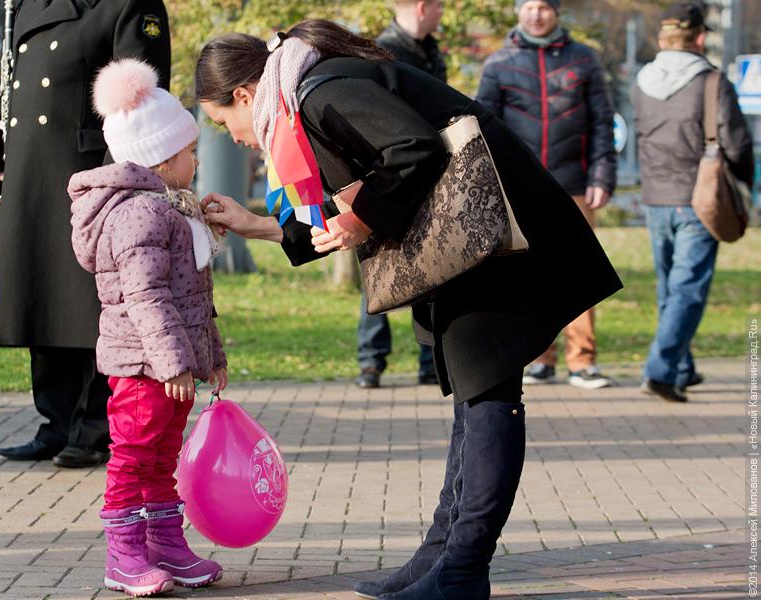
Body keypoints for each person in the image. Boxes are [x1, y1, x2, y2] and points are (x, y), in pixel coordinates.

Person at [195, 20, 621, 599]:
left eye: (224, 122)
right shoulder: (306, 95)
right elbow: (361, 190)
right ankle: (440, 557)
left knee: (490, 397)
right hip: (480, 239)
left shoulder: (320, 92)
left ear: (244, 95)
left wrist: (361, 218)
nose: (235, 136)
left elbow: (413, 149)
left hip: (498, 239)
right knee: (478, 398)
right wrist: (256, 226)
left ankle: (463, 570)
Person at [0, 0, 172, 467]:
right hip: (31, 172)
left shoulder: (126, 5)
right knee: (42, 300)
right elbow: (6, 82)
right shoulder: (24, 5)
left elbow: (139, 102)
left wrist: (112, 180)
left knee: (87, 306)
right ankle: (56, 422)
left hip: (86, 174)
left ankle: (94, 426)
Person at [69, 59, 226, 595]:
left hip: (170, 365)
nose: (196, 159)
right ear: (160, 160)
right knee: (135, 456)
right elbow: (147, 297)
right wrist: (175, 362)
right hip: (144, 366)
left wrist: (212, 357)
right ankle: (125, 554)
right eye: (188, 151)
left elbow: (196, 296)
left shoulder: (169, 209)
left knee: (162, 458)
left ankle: (165, 544)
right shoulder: (141, 215)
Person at [477, 0, 617, 390]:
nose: (536, 14)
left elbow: (603, 122)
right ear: (519, 12)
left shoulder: (584, 59)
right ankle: (539, 359)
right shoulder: (498, 63)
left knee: (579, 272)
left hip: (575, 183)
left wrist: (603, 175)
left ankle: (582, 362)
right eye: (529, 6)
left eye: (544, 6)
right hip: (520, 186)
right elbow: (481, 127)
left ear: (556, 12)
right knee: (529, 274)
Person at [632, 3, 753, 403]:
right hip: (699, 197)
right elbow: (737, 142)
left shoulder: (641, 81)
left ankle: (681, 367)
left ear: (663, 38)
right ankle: (661, 371)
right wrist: (745, 186)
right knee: (688, 289)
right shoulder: (712, 82)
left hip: (654, 198)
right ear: (700, 37)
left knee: (671, 286)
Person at [355, 0, 446, 389]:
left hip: (425, 171)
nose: (442, 12)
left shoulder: (432, 50)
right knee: (377, 267)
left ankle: (430, 360)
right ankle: (371, 359)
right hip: (390, 171)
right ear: (423, 7)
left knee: (431, 266)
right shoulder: (383, 50)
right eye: (439, 5)